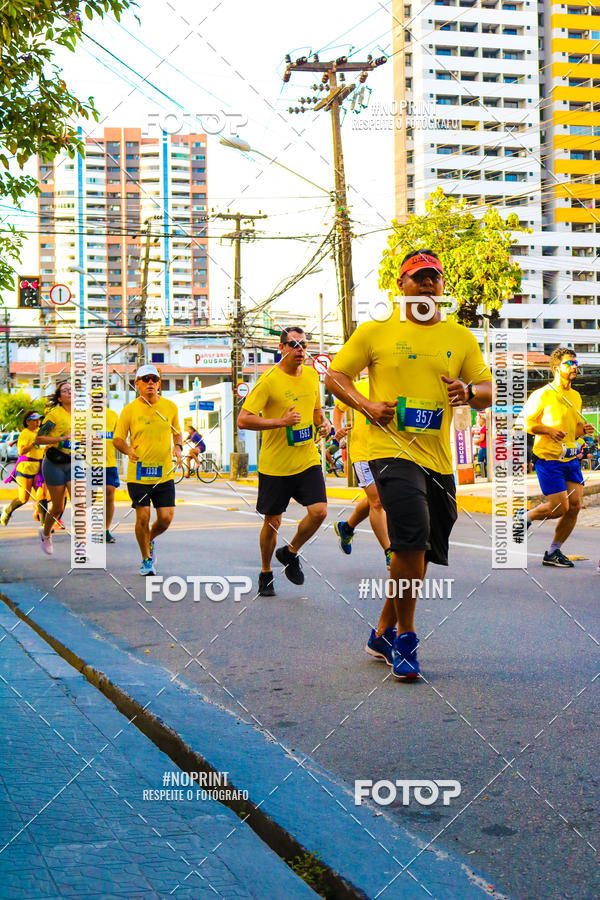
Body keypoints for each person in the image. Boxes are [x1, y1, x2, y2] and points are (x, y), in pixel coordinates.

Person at [326, 249, 492, 681]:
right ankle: (407, 638)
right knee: (411, 536)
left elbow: (489, 389)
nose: (426, 283)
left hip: (437, 459)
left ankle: (381, 632)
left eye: (433, 277)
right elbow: (335, 376)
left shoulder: (460, 337)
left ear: (442, 286)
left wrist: (468, 391)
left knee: (419, 554)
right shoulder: (375, 332)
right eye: (417, 277)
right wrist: (364, 405)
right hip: (389, 450)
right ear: (400, 285)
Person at [237, 326, 330, 596]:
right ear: (281, 348)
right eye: (293, 344)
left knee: (319, 512)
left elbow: (316, 411)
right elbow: (244, 419)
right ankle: (266, 571)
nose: (300, 349)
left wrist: (323, 424)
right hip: (275, 465)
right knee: (272, 521)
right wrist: (281, 422)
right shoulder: (268, 380)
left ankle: (290, 552)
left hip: (306, 459)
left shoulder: (313, 376)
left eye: (303, 344)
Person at [515, 347, 594, 567]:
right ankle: (525, 517)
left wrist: (583, 430)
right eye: (569, 363)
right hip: (549, 460)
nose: (574, 367)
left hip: (569, 459)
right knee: (559, 508)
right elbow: (522, 424)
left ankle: (553, 552)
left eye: (575, 363)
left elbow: (574, 428)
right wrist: (548, 431)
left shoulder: (575, 396)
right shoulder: (542, 395)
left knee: (576, 505)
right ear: (556, 368)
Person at [113, 365, 183, 576]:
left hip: (164, 473)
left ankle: (149, 539)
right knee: (142, 516)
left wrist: (178, 448)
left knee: (165, 518)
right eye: (145, 379)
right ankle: (146, 559)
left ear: (159, 383)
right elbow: (117, 438)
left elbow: (177, 433)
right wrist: (127, 450)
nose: (150, 382)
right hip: (139, 474)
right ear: (137, 384)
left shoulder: (170, 407)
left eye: (154, 379)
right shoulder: (129, 410)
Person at [331, 375, 392, 570]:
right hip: (362, 452)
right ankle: (390, 551)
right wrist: (338, 431)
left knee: (381, 497)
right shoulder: (358, 387)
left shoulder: (397, 385)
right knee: (378, 501)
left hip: (390, 451)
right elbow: (338, 409)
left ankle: (346, 528)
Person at [35, 381, 72, 554]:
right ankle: (46, 532)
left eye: (72, 389)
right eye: (66, 390)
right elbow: (39, 439)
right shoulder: (54, 415)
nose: (70, 391)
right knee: (58, 507)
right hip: (54, 463)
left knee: (80, 503)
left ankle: (82, 544)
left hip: (74, 462)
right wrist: (61, 439)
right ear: (59, 397)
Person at [1, 411, 44, 526]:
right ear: (28, 422)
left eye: (39, 419)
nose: (37, 422)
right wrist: (35, 443)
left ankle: (45, 527)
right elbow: (21, 451)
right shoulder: (25, 433)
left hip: (38, 468)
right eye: (34, 420)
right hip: (25, 469)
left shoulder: (39, 433)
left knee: (42, 497)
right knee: (23, 499)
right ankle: (8, 510)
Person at [474, 412, 487, 478]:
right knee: (487, 461)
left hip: (484, 447)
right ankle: (487, 473)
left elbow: (482, 438)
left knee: (480, 460)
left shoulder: (482, 429)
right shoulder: (487, 428)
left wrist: (476, 442)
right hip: (488, 447)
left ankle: (484, 474)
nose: (479, 423)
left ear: (482, 421)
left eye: (479, 421)